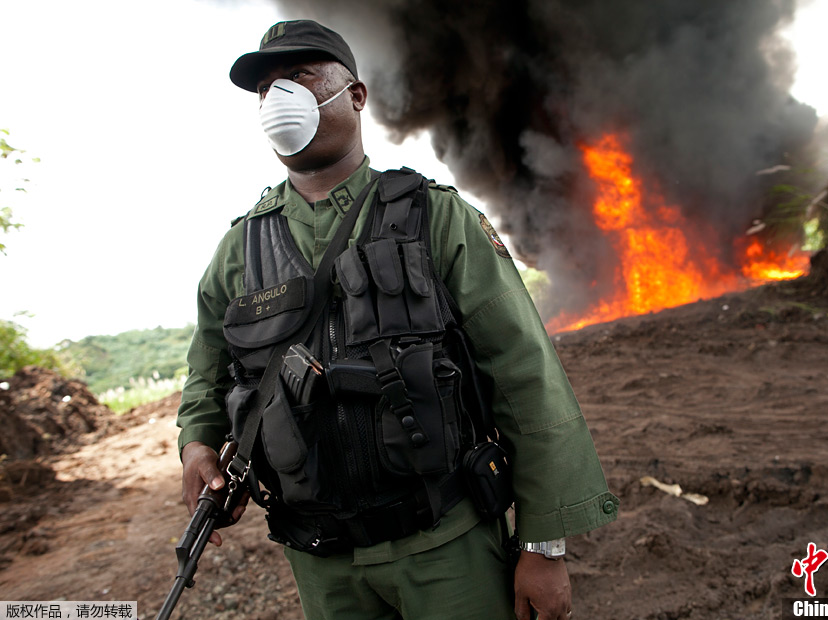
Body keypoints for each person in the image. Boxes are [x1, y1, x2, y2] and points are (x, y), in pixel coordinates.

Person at [176, 19, 618, 620]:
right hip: (321, 564)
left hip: (444, 546)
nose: (279, 98)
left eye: (300, 76)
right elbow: (208, 377)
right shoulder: (238, 251)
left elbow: (523, 374)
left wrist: (544, 545)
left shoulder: (433, 216)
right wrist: (197, 448)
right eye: (265, 88)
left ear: (354, 95)